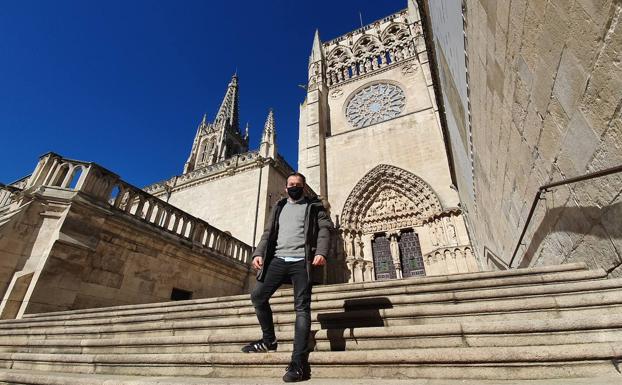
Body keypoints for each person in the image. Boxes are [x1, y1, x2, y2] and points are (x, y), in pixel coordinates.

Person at [241, 172, 334, 383]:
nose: (294, 187)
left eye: (298, 185)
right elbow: (268, 232)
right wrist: (258, 253)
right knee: (258, 296)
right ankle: (268, 340)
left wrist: (321, 251)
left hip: (302, 261)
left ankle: (298, 362)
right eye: (291, 184)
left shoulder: (314, 206)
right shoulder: (280, 206)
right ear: (286, 187)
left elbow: (324, 230)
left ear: (304, 187)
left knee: (302, 308)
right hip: (277, 260)